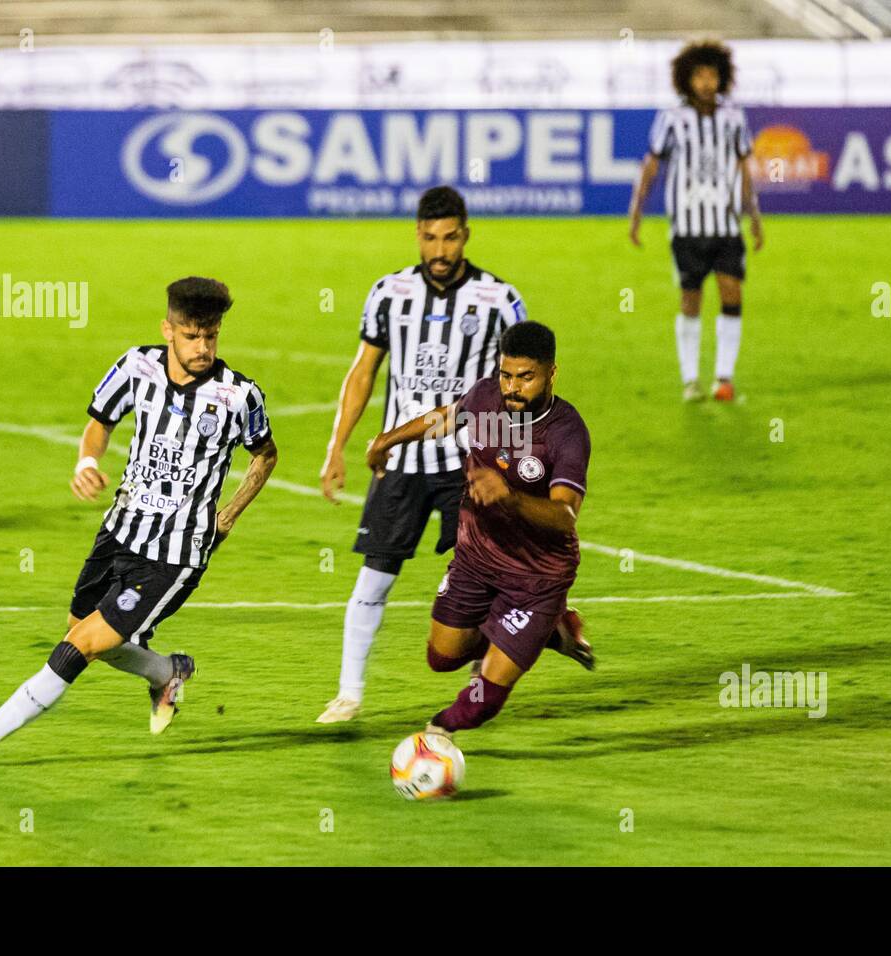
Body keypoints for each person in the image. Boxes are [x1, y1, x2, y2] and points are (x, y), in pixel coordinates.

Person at [0, 277, 278, 773]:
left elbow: (265, 454)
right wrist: (86, 463)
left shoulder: (238, 396)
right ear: (168, 330)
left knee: (82, 645)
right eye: (191, 335)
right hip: (120, 529)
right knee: (80, 628)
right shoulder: (136, 367)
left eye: (212, 335)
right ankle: (167, 671)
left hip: (176, 552)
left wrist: (230, 513)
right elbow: (100, 421)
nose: (203, 347)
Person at [315, 186, 526, 723]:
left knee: (485, 577)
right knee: (375, 577)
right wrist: (336, 446)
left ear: (466, 235)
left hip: (469, 463)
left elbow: (522, 384)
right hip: (401, 464)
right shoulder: (388, 293)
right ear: (417, 234)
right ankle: (349, 693)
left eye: (450, 238)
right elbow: (363, 371)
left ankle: (490, 671)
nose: (440, 249)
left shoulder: (499, 300)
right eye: (430, 237)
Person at [364, 321, 594, 740]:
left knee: (480, 703)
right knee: (442, 657)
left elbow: (565, 514)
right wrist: (389, 439)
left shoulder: (566, 432)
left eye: (526, 377)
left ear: (551, 373)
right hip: (476, 559)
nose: (513, 387)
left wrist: (509, 498)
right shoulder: (486, 395)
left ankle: (434, 738)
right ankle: (550, 633)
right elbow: (449, 418)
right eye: (507, 375)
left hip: (537, 578)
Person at [627, 38, 762, 402]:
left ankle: (724, 378)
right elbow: (652, 164)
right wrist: (636, 213)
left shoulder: (734, 117)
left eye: (712, 75)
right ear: (686, 79)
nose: (705, 82)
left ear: (722, 78)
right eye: (698, 75)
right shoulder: (672, 118)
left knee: (732, 293)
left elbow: (744, 167)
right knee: (691, 299)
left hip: (726, 225)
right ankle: (690, 379)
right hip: (687, 227)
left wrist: (755, 216)